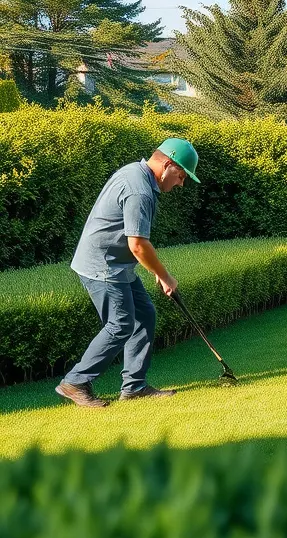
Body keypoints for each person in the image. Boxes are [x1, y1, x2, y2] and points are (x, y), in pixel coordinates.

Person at [56, 138, 200, 408]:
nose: (181, 183)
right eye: (181, 176)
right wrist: (165, 275)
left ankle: (134, 386)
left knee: (144, 315)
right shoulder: (139, 190)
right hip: (104, 265)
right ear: (167, 165)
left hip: (116, 263)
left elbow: (135, 243)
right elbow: (137, 244)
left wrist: (156, 271)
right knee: (120, 324)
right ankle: (75, 381)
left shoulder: (135, 172)